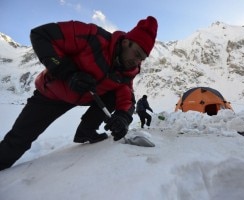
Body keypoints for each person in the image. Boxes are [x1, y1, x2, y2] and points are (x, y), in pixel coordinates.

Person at [0, 16, 158, 171]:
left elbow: (127, 97)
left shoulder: (127, 71)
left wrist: (123, 119)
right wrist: (68, 73)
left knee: (111, 96)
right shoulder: (92, 36)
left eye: (142, 59)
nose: (137, 62)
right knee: (19, 139)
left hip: (85, 94)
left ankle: (86, 132)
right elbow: (41, 35)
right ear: (125, 42)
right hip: (52, 93)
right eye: (137, 54)